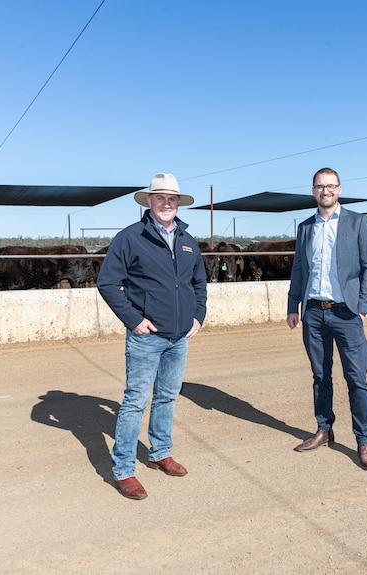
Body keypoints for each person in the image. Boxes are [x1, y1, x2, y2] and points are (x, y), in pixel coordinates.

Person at [96, 172, 207, 499]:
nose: (166, 203)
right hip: (147, 336)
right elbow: (107, 283)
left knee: (168, 396)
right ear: (149, 201)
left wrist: (197, 315)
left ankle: (160, 452)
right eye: (160, 198)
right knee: (135, 401)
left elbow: (199, 283)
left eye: (172, 199)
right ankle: (124, 469)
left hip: (179, 337)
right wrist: (134, 319)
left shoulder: (188, 240)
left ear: (178, 203)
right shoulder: (130, 238)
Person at [286, 167, 367, 470]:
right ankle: (324, 430)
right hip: (313, 313)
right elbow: (299, 268)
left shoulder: (358, 223)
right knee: (320, 376)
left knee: (356, 379)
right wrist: (293, 305)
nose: (325, 191)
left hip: (346, 313)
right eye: (319, 186)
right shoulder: (305, 227)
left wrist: (362, 306)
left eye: (330, 186)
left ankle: (363, 441)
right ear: (313, 191)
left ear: (339, 190)